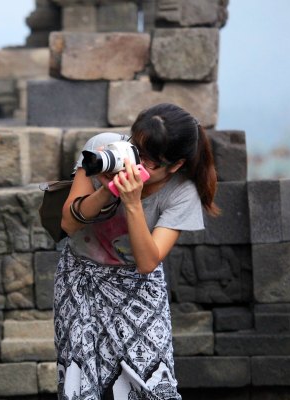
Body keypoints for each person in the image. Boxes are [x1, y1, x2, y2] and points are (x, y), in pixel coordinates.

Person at [54, 103, 219, 400]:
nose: (136, 162)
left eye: (150, 162)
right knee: (81, 383)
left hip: (138, 289)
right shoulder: (102, 150)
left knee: (152, 382)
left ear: (176, 165)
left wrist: (132, 202)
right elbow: (68, 223)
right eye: (135, 149)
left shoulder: (182, 193)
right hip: (80, 278)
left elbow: (147, 262)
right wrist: (107, 189)